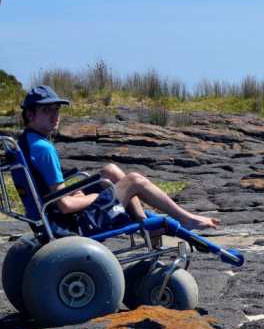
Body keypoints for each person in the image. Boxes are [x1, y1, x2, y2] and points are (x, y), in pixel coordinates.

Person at [18, 85, 220, 234]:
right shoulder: (44, 149)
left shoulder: (26, 142)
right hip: (70, 225)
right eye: (47, 110)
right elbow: (65, 205)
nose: (54, 115)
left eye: (56, 109)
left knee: (111, 171)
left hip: (49, 217)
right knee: (134, 181)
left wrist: (78, 194)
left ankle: (142, 222)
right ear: (30, 114)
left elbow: (53, 196)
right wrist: (102, 194)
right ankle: (185, 219)